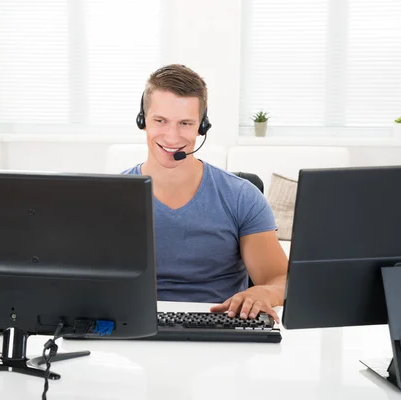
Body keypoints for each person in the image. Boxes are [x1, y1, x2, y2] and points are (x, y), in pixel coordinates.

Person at [123, 64, 288, 323]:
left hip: (221, 329)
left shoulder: (241, 196)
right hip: (135, 327)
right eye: (160, 121)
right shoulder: (111, 197)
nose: (172, 136)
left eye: (185, 123)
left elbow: (281, 278)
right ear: (142, 120)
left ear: (202, 126)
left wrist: (264, 292)